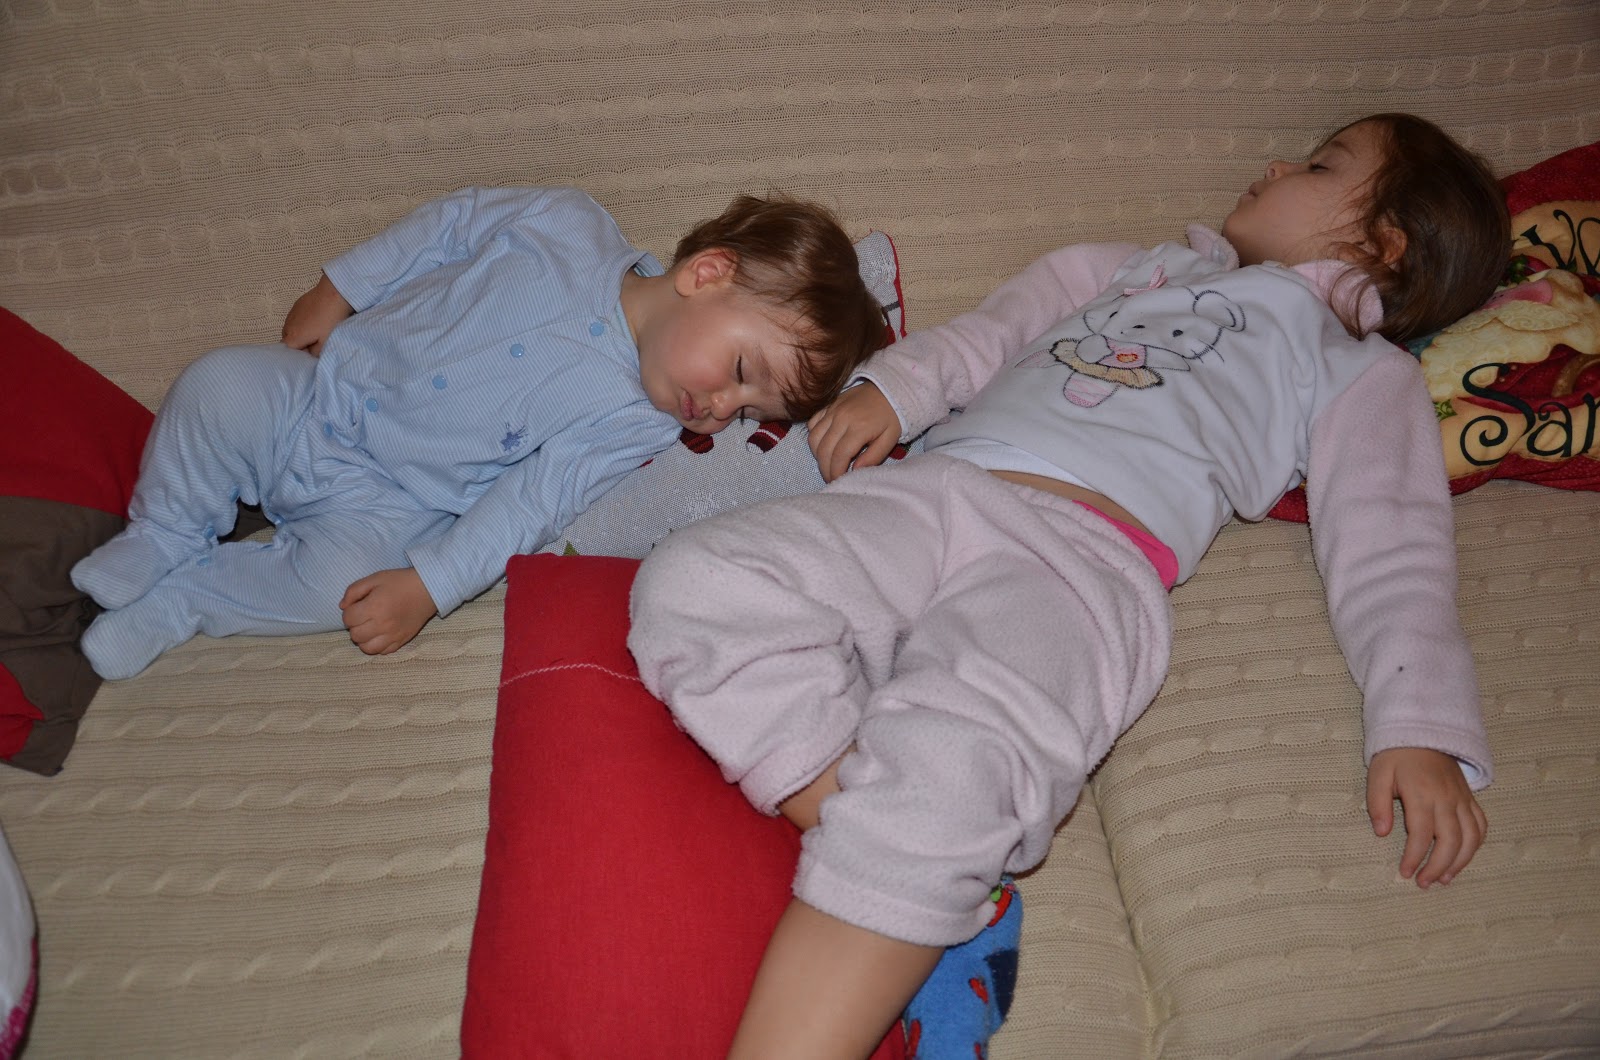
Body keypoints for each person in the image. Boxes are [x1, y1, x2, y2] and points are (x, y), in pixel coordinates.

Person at [626, 112, 1509, 1059]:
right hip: (937, 491)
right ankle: (909, 847)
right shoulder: (1129, 267)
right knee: (697, 577)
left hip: (1084, 562)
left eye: (1321, 166)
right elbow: (994, 332)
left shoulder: (1358, 371)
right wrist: (899, 389)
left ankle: (915, 852)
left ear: (1384, 242)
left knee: (966, 751)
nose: (1277, 162)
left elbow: (1393, 544)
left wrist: (1419, 721)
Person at [73, 187, 886, 681]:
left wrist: (432, 586)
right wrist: (339, 287)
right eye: (741, 370)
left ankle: (190, 599)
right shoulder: (567, 225)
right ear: (707, 274)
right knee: (217, 386)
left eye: (748, 412)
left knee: (340, 591)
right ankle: (164, 530)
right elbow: (447, 227)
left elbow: (531, 503)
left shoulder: (633, 421)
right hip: (319, 395)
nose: (722, 407)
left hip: (390, 507)